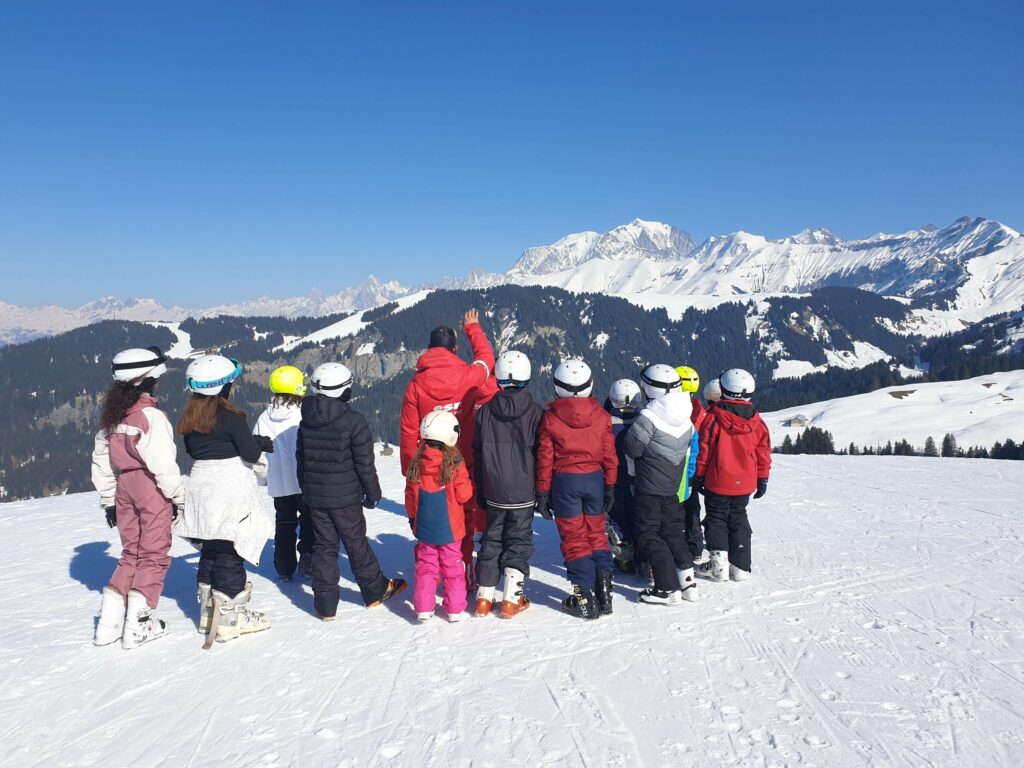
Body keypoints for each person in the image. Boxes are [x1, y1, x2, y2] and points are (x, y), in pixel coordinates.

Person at [175, 354, 273, 647]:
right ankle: (231, 618)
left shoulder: (189, 419)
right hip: (229, 485)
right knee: (231, 548)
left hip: (201, 484)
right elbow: (249, 455)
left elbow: (208, 447)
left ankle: (208, 613)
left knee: (211, 548)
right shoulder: (232, 418)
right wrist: (258, 445)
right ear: (222, 387)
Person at [91, 346, 184, 649]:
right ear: (146, 380)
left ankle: (109, 624)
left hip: (123, 487)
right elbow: (163, 463)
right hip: (149, 484)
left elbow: (100, 460)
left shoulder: (113, 416)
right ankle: (139, 625)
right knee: (154, 553)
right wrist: (178, 496)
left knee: (131, 551)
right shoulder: (149, 415)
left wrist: (108, 499)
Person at [298, 362, 405, 620]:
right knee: (355, 542)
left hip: (316, 495)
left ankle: (325, 605)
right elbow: (364, 463)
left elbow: (300, 459)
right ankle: (374, 590)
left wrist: (307, 490)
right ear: (343, 390)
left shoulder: (306, 420)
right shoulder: (353, 421)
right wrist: (373, 492)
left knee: (325, 546)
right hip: (345, 496)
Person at [400, 309, 497, 589]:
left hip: (426, 464)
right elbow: (487, 360)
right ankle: (461, 574)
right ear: (454, 349)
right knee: (462, 517)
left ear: (430, 348)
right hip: (461, 459)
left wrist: (411, 470)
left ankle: (428, 579)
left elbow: (408, 431)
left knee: (426, 518)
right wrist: (473, 328)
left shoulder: (415, 386)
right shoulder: (468, 376)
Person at [535, 359, 618, 620]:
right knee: (596, 533)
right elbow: (609, 455)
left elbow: (545, 458)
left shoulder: (550, 419)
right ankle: (604, 592)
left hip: (565, 483)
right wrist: (610, 485)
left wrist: (542, 492)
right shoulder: (603, 417)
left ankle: (584, 597)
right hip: (594, 479)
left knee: (574, 538)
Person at [472, 350, 543, 618]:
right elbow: (543, 455)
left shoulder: (485, 412)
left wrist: (481, 488)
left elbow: (477, 454)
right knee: (519, 540)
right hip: (524, 490)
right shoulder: (536, 414)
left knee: (491, 539)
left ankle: (484, 598)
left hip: (493, 488)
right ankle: (512, 600)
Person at [624, 364, 700, 605]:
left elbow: (632, 448)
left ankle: (667, 588)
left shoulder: (649, 417)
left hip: (648, 486)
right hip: (672, 486)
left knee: (648, 535)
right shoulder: (686, 416)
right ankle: (688, 583)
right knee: (672, 532)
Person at [693, 368, 771, 582]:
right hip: (744, 483)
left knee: (716, 518)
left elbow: (704, 450)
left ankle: (718, 566)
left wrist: (698, 476)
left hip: (718, 480)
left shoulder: (714, 418)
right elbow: (763, 452)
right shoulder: (757, 422)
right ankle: (741, 566)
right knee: (738, 517)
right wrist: (762, 478)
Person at [405, 411, 474, 622]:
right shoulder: (455, 463)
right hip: (451, 529)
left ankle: (424, 608)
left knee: (426, 566)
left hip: (424, 527)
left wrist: (413, 519)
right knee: (452, 566)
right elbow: (464, 495)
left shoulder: (417, 462)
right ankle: (454, 609)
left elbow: (410, 497)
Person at [254, 365, 314, 581]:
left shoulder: (263, 417)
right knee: (309, 519)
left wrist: (263, 479)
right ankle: (308, 557)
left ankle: (284, 567)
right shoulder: (303, 414)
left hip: (278, 482)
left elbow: (256, 452)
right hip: (303, 480)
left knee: (284, 523)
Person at [603, 378, 642, 575]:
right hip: (638, 479)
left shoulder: (606, 423)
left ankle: (624, 557)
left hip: (614, 479)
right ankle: (642, 557)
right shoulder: (643, 421)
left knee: (618, 517)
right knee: (638, 516)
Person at [675, 365, 706, 563]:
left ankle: (676, 547)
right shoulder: (700, 410)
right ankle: (695, 546)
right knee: (692, 508)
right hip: (693, 469)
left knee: (674, 510)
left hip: (675, 467)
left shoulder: (672, 410)